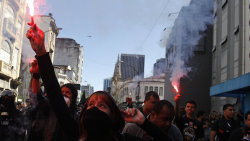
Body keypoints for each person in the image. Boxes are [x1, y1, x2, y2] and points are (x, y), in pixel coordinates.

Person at [26, 19, 171, 141]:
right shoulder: (76, 134)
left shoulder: (124, 139)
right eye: (90, 104)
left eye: (102, 105)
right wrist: (41, 51)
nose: (94, 107)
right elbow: (54, 94)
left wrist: (143, 122)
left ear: (113, 115)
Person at [27, 59, 79, 141]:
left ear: (73, 98)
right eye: (62, 92)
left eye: (68, 92)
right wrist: (36, 75)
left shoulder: (75, 117)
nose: (64, 94)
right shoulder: (48, 105)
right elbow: (36, 94)